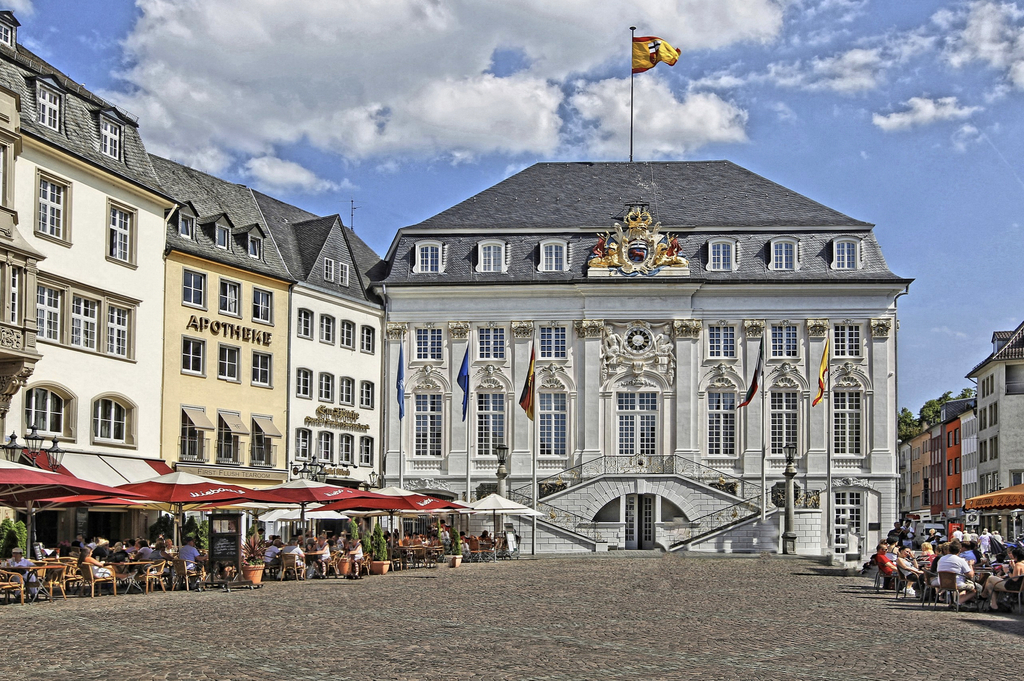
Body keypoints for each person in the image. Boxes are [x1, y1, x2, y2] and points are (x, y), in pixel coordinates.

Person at [936, 540, 978, 607]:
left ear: (949, 550)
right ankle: (957, 603)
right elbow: (970, 575)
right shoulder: (961, 560)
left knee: (962, 588)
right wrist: (970, 565)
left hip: (942, 583)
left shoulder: (941, 559)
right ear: (959, 550)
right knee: (975, 590)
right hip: (956, 584)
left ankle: (953, 602)